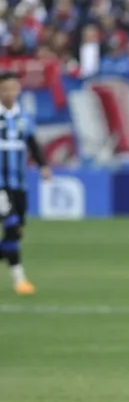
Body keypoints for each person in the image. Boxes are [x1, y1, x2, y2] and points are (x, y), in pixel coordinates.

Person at [0, 72, 51, 296]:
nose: (10, 93)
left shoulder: (24, 117)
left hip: (19, 183)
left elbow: (32, 142)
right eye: (5, 89)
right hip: (0, 185)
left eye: (13, 88)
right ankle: (19, 279)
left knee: (17, 231)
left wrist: (43, 166)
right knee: (11, 224)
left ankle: (19, 278)